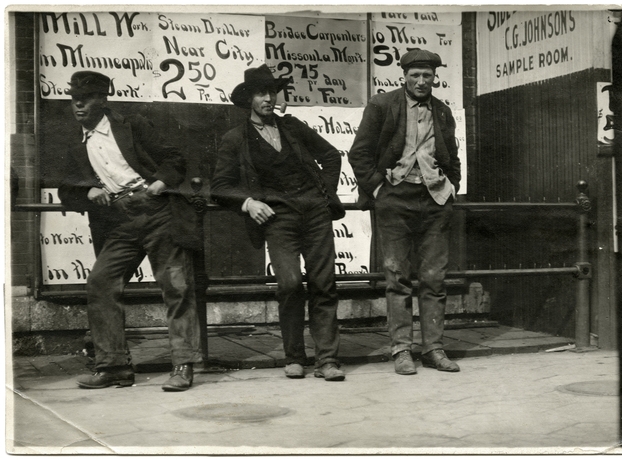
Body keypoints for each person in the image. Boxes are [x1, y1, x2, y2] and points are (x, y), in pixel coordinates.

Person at [58, 71, 202, 391]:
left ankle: (183, 365)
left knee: (175, 285)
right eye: (74, 99)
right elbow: (66, 189)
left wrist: (160, 183)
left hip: (158, 212)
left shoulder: (132, 125)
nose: (79, 104)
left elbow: (174, 158)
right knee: (100, 282)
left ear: (103, 99)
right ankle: (113, 367)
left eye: (87, 98)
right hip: (120, 222)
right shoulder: (76, 143)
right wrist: (88, 193)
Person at [211, 64, 346, 381]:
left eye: (272, 92)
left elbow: (331, 156)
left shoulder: (293, 127)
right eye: (261, 93)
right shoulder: (236, 139)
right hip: (278, 217)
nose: (268, 98)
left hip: (315, 213)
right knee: (288, 283)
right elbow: (219, 186)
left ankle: (327, 359)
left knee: (324, 284)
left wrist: (324, 196)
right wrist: (248, 202)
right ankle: (295, 356)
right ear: (249, 99)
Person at [348, 49, 462, 375]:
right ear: (405, 76)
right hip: (395, 200)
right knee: (397, 278)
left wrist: (450, 186)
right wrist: (379, 189)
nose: (422, 81)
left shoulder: (442, 112)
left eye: (427, 76)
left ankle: (434, 349)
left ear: (435, 77)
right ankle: (401, 350)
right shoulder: (383, 106)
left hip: (435, 201)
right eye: (415, 76)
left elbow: (452, 158)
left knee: (433, 279)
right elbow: (360, 153)